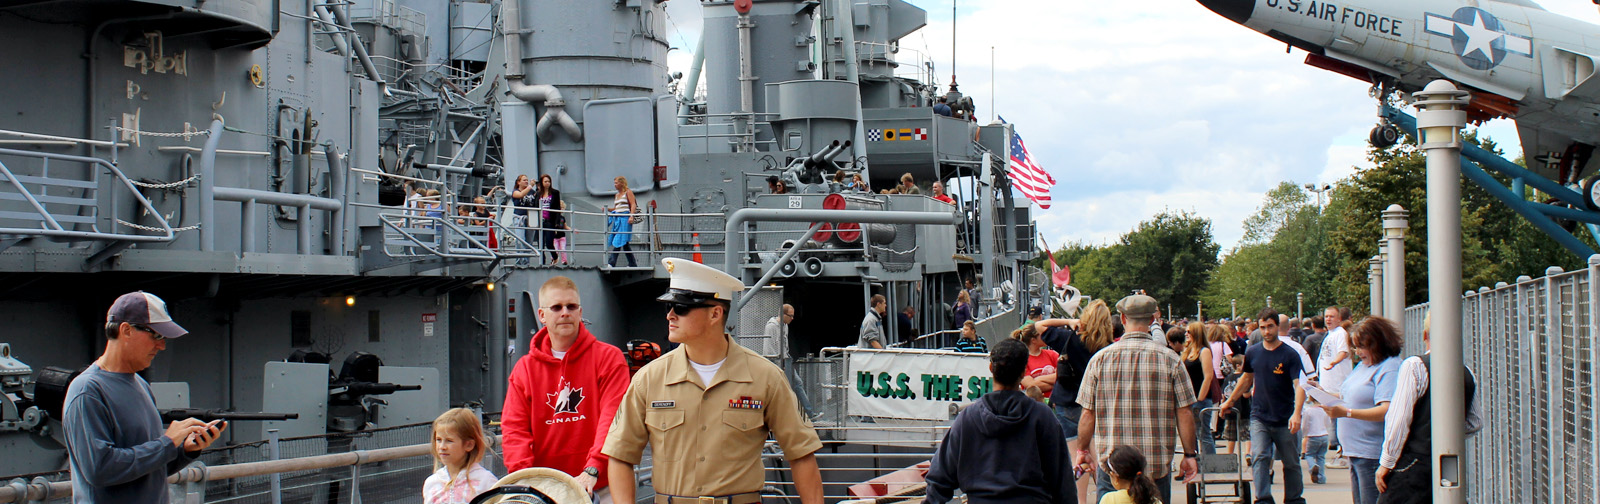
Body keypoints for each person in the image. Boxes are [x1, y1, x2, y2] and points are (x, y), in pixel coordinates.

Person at [603, 258, 823, 504]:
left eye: (681, 307)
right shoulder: (649, 379)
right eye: (669, 308)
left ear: (715, 314)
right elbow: (620, 455)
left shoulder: (766, 377)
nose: (670, 316)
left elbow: (801, 454)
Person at [65, 291, 226, 504]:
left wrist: (185, 450)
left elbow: (148, 466)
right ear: (126, 330)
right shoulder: (88, 390)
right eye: (157, 336)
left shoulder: (140, 385)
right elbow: (100, 470)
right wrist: (167, 443)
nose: (162, 345)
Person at [502, 277, 631, 503]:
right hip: (543, 490)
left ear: (580, 312)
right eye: (556, 307)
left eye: (571, 307)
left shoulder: (609, 358)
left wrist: (593, 469)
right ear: (542, 315)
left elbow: (613, 420)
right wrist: (523, 477)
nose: (565, 313)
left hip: (600, 485)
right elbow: (514, 429)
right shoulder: (524, 369)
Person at [1074, 295, 1199, 504]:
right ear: (1152, 320)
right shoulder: (1171, 360)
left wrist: (1083, 450)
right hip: (1155, 465)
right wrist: (1189, 454)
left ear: (1122, 318)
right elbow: (1184, 411)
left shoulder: (1100, 360)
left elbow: (1088, 412)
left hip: (1113, 465)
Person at [924, 338, 1074, 504]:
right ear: (1024, 372)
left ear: (991, 368)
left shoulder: (968, 418)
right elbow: (1062, 480)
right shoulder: (1043, 417)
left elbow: (940, 477)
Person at [1374, 311, 1483, 503]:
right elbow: (1475, 422)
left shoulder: (1415, 366)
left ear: (1425, 335)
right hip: (1447, 466)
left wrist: (1386, 462)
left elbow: (1399, 419)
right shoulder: (1466, 372)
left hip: (1412, 462)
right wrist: (1446, 434)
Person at [1218, 309, 1307, 504]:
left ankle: (1294, 498)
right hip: (1260, 416)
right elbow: (1246, 379)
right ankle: (1263, 499)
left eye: (1270, 327)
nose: (1266, 332)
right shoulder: (1253, 352)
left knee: (1291, 462)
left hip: (1284, 417)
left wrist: (1297, 413)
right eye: (1262, 328)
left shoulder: (1290, 354)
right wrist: (1229, 401)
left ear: (1277, 327)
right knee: (1259, 456)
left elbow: (1299, 385)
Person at [1315, 317, 1404, 504]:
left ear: (1377, 344)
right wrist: (1322, 393)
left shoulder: (1389, 369)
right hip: (1356, 451)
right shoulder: (1365, 366)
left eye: (1362, 346)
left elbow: (1386, 410)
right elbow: (1350, 396)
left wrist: (1346, 413)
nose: (1358, 352)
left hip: (1370, 452)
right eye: (1355, 347)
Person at [1036, 299, 1115, 504]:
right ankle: (1105, 497)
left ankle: (1080, 500)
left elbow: (1037, 326)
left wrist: (1068, 322)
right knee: (1098, 455)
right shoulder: (1109, 348)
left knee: (1076, 456)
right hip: (1096, 404)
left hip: (1068, 402)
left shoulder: (1069, 339)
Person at [423, 408, 498, 504]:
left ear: (469, 445)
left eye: (449, 441)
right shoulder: (432, 483)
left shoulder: (485, 481)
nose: (442, 447)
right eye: (438, 440)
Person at [765, 304, 816, 417]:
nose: (792, 318)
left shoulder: (785, 326)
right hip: (777, 362)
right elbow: (769, 348)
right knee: (784, 389)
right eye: (790, 316)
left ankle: (810, 413)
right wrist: (779, 363)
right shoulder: (771, 327)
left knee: (797, 384)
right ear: (783, 315)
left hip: (785, 360)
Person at [1318, 306, 1353, 467]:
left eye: (1332, 316)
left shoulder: (1340, 334)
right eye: (1326, 316)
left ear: (1339, 319)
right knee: (1333, 419)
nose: (1328, 319)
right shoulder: (1329, 335)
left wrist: (1334, 362)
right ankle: (1341, 450)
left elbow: (1343, 352)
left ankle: (1344, 452)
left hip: (1338, 385)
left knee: (1339, 418)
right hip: (1328, 384)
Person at [1181, 322, 1217, 455]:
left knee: (1204, 433)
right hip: (1189, 398)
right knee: (1192, 434)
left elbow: (1208, 376)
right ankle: (1195, 462)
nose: (1186, 334)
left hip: (1201, 398)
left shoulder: (1204, 351)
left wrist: (1200, 397)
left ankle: (1210, 463)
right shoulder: (1188, 351)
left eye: (1189, 331)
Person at [1014, 323, 1060, 400]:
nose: (1046, 336)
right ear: (1033, 340)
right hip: (1033, 402)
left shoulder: (1052, 354)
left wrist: (1039, 379)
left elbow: (1062, 376)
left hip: (1055, 400)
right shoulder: (1022, 359)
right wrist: (1056, 385)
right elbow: (1031, 385)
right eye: (1042, 334)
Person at [606, 176, 638, 268]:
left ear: (622, 183)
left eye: (616, 183)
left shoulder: (628, 192)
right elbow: (617, 208)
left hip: (625, 218)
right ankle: (632, 263)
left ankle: (611, 262)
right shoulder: (617, 195)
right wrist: (607, 209)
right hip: (617, 219)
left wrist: (631, 215)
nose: (615, 185)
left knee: (619, 239)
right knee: (624, 242)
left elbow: (633, 204)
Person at [537, 174, 565, 265]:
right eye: (545, 181)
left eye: (549, 181)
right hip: (540, 221)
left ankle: (555, 257)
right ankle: (542, 262)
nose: (547, 183)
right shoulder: (538, 194)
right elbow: (534, 206)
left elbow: (557, 208)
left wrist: (557, 223)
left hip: (550, 220)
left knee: (549, 242)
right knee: (540, 244)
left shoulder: (555, 193)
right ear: (542, 182)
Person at [511, 174, 539, 262]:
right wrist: (530, 186)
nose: (526, 181)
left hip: (530, 218)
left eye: (527, 180)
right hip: (519, 217)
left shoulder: (531, 191)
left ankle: (526, 261)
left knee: (529, 241)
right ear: (518, 182)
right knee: (520, 240)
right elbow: (520, 195)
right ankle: (519, 261)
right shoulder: (515, 191)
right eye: (524, 180)